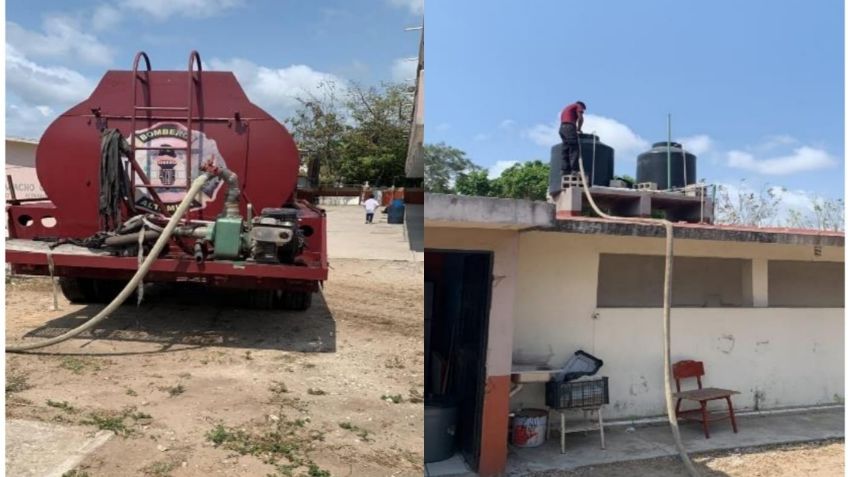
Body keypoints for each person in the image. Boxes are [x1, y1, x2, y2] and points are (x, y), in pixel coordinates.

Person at [559, 101, 586, 177]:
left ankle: (565, 170)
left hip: (562, 128)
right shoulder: (578, 105)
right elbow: (580, 118)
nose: (582, 111)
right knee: (574, 149)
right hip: (569, 127)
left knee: (566, 149)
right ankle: (574, 170)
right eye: (583, 109)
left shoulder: (568, 107)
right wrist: (578, 128)